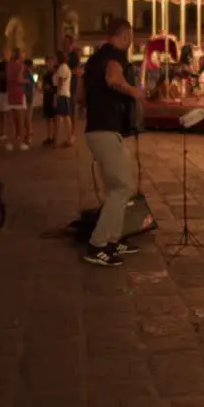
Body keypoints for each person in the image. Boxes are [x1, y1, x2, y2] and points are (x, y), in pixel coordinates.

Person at [76, 18, 144, 266]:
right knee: (123, 186)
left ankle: (113, 239)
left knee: (115, 186)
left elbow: (80, 95)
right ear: (125, 36)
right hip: (106, 129)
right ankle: (97, 245)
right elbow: (114, 79)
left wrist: (89, 107)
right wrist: (134, 91)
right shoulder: (116, 55)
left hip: (96, 128)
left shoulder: (94, 58)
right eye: (130, 38)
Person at [3, 49, 28, 151]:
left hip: (10, 93)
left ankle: (10, 142)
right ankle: (21, 142)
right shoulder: (20, 66)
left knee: (11, 120)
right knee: (20, 119)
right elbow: (19, 79)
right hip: (18, 93)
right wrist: (25, 81)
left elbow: (8, 78)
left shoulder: (9, 65)